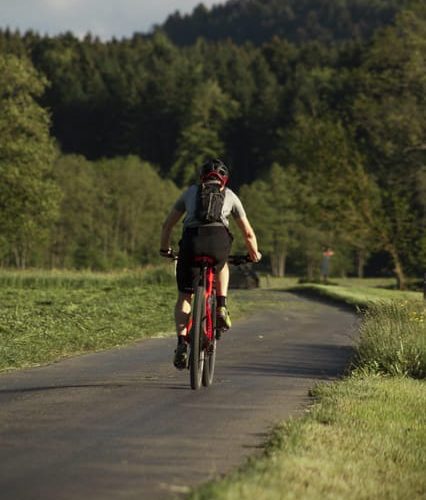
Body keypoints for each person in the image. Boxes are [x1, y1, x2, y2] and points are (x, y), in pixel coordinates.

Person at [160, 158, 262, 369]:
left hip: (192, 241)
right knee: (221, 264)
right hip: (218, 241)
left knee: (185, 295)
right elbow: (249, 234)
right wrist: (254, 254)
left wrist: (165, 249)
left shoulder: (190, 192)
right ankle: (222, 306)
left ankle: (181, 342)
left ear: (201, 177)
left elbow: (167, 225)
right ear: (224, 179)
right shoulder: (231, 195)